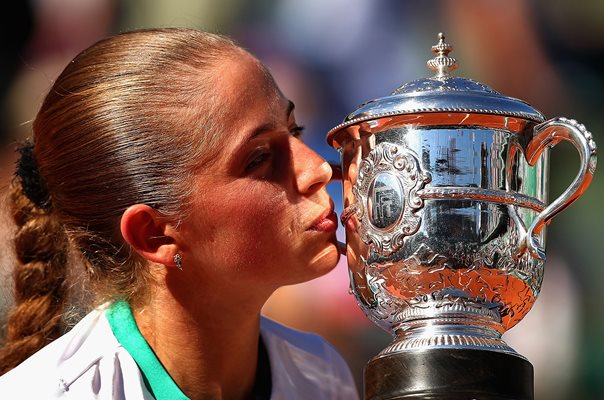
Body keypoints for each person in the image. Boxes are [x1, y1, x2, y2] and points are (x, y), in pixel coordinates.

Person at [0, 28, 359, 399]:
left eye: (294, 130)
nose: (318, 168)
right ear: (154, 235)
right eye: (259, 158)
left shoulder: (321, 376)